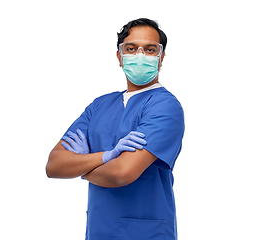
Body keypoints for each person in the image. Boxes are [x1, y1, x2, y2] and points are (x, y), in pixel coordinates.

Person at [46, 18, 185, 240]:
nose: (140, 56)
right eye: (131, 49)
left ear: (161, 57)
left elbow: (122, 173)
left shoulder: (164, 106)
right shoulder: (99, 106)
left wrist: (79, 166)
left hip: (146, 234)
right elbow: (54, 165)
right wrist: (106, 157)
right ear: (120, 57)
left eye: (150, 49)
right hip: (99, 230)